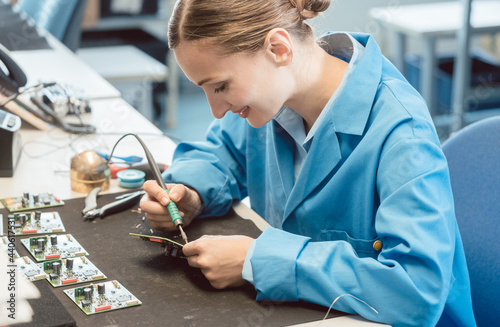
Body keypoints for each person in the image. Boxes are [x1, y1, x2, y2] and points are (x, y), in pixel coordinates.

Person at [140, 0, 477, 326]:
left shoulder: (402, 134)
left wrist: (257, 261)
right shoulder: (271, 97)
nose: (216, 109)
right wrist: (190, 194)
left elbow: (417, 292)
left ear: (278, 49)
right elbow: (218, 154)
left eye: (221, 86)